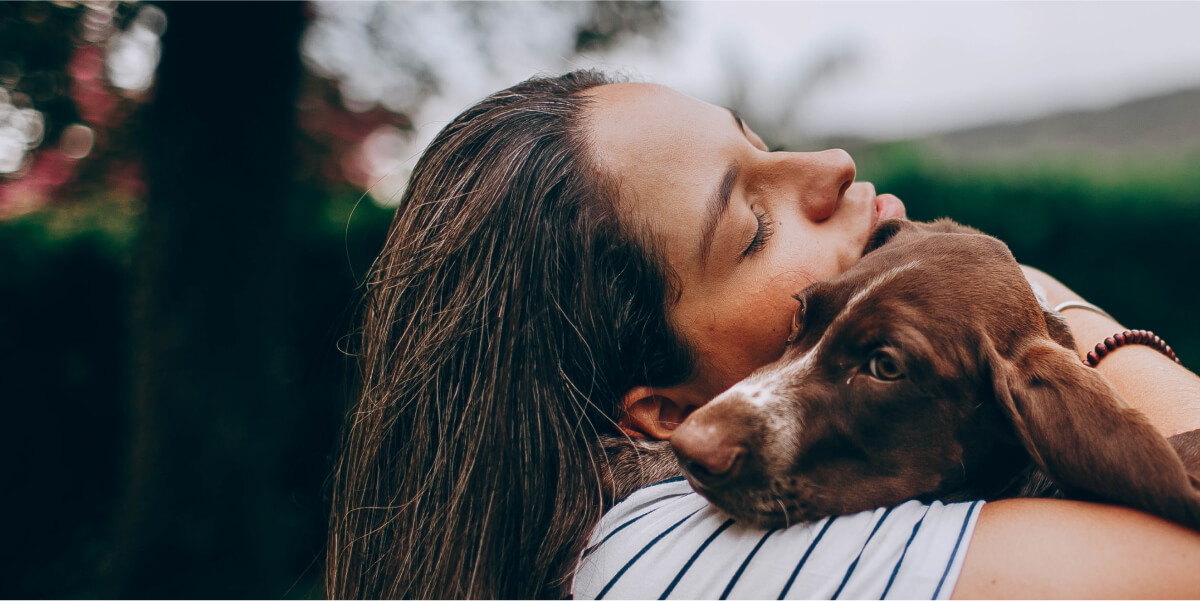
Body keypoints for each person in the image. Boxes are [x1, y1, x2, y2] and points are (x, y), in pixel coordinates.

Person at [325, 70, 1200, 599]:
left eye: (760, 142)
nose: (833, 164)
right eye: (753, 225)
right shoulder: (664, 557)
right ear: (664, 415)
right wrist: (1060, 320)